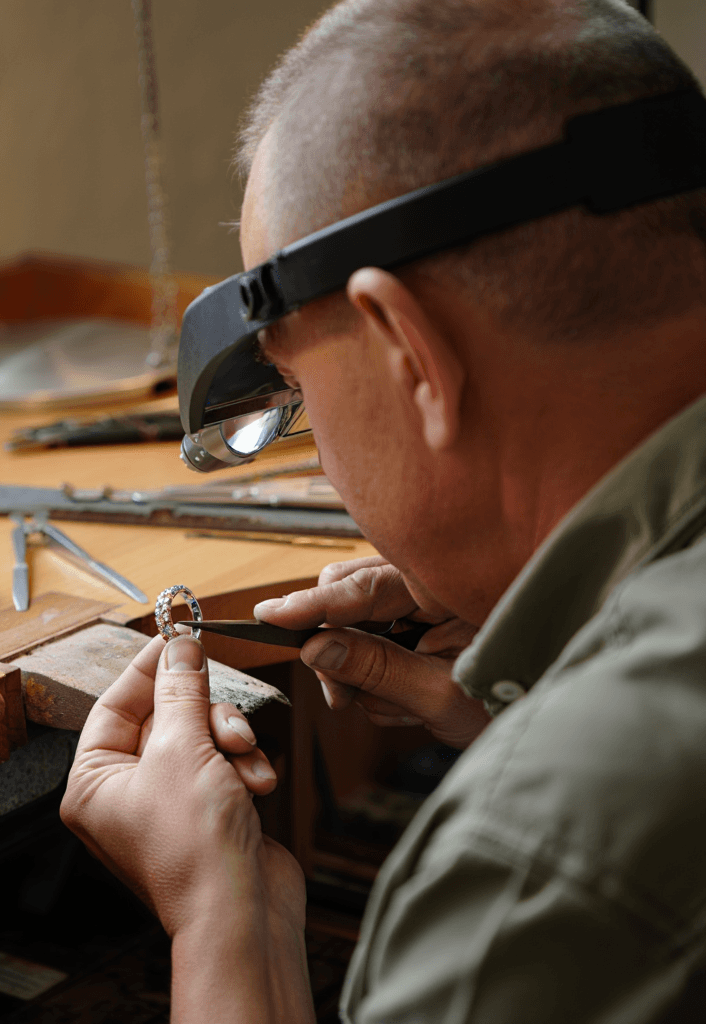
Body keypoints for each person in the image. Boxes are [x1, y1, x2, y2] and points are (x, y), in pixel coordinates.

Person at [61, 0, 706, 1020]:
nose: (321, 459)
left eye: (297, 392)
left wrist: (220, 920)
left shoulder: (538, 862)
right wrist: (563, 686)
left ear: (410, 352)